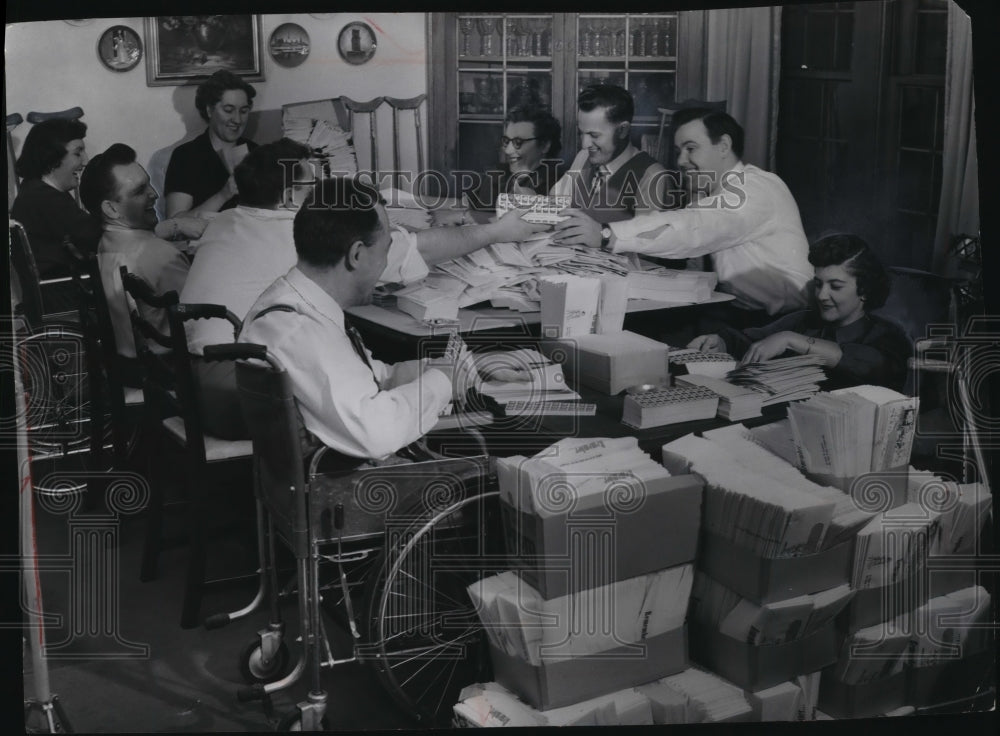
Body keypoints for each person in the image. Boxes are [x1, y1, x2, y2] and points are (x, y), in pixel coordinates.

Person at [182, 140, 545, 439]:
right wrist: (495, 231)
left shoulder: (245, 239)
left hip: (208, 377)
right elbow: (373, 427)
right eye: (315, 187)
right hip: (233, 394)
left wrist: (465, 368)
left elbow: (369, 375)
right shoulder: (300, 317)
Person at [239, 177, 480, 466]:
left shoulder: (299, 306)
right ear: (356, 254)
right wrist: (442, 381)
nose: (385, 264)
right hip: (338, 493)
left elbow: (371, 377)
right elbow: (377, 432)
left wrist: (454, 371)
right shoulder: (300, 330)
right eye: (386, 250)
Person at [583, 107, 813, 329]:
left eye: (690, 148)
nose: (681, 161)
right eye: (678, 151)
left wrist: (607, 235)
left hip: (782, 324)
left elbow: (693, 227)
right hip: (734, 312)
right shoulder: (712, 193)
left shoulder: (755, 188)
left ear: (723, 146)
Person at [689, 234, 912, 392]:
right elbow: (751, 340)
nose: (822, 295)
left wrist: (791, 340)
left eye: (835, 286)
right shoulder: (803, 320)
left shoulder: (889, 336)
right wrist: (720, 342)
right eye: (818, 284)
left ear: (863, 290)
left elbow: (871, 365)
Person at [80, 143, 197, 379]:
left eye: (149, 184)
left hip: (135, 369)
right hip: (174, 374)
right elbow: (200, 322)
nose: (154, 193)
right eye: (139, 191)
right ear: (111, 209)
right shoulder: (159, 254)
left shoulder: (107, 242)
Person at [550, 83, 666, 239]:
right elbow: (556, 201)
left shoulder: (651, 175)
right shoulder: (583, 157)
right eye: (581, 133)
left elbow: (646, 244)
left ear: (622, 130)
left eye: (594, 136)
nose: (585, 144)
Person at [11, 118, 103, 312]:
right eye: (78, 152)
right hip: (63, 298)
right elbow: (96, 236)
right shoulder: (45, 198)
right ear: (52, 158)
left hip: (56, 294)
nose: (85, 160)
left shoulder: (36, 190)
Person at [431, 105, 564, 226]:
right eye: (507, 141)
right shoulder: (502, 172)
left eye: (518, 142)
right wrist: (414, 201)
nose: (508, 150)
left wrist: (463, 217)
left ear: (545, 145)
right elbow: (464, 204)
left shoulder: (556, 183)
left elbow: (517, 219)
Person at [164, 70, 258, 218]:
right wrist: (223, 195)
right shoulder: (186, 156)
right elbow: (174, 223)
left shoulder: (257, 152)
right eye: (228, 110)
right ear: (209, 110)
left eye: (244, 111)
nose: (238, 120)